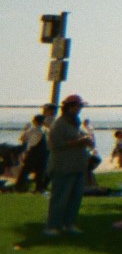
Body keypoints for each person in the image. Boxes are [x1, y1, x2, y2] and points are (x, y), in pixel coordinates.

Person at [44, 94, 95, 236]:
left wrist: (87, 141)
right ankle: (52, 226)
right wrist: (79, 142)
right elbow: (56, 144)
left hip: (78, 166)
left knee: (75, 198)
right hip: (63, 166)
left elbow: (81, 137)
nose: (80, 109)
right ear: (70, 107)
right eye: (79, 106)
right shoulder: (59, 124)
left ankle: (69, 224)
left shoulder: (76, 123)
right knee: (60, 197)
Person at [15, 109, 51, 193]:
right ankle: (39, 188)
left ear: (35, 121)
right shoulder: (46, 130)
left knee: (26, 169)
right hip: (45, 152)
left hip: (34, 151)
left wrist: (25, 130)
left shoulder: (33, 129)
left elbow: (22, 138)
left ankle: (19, 187)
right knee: (41, 170)